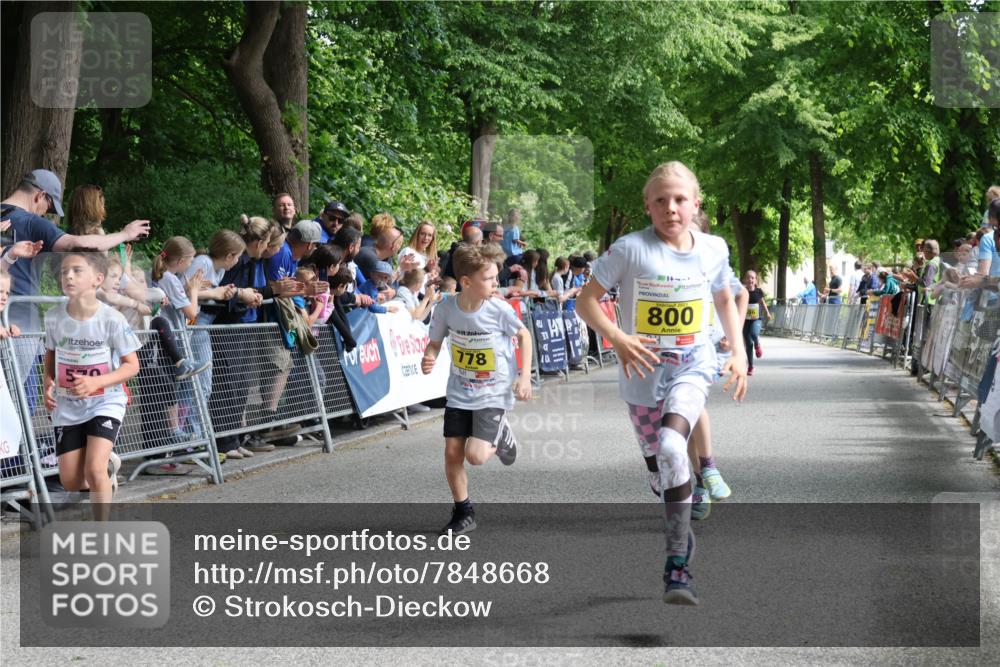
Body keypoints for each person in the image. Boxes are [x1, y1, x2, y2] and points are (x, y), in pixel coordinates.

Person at [575, 160, 747, 606]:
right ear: (647, 206)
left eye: (680, 199)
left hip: (693, 365)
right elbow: (585, 302)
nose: (671, 208)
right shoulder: (630, 249)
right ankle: (678, 509)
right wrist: (618, 338)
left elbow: (724, 297)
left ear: (696, 204)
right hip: (641, 374)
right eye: (661, 200)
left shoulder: (713, 248)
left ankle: (677, 565)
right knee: (662, 471)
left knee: (673, 448)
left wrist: (739, 352)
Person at [421, 244, 533, 535]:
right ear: (467, 282)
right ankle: (464, 512)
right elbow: (434, 343)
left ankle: (501, 433)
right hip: (459, 391)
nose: (496, 283)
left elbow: (524, 335)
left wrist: (524, 377)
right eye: (489, 278)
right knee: (452, 452)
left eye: (496, 277)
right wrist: (428, 357)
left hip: (493, 392)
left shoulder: (498, 309)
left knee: (476, 456)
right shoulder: (446, 309)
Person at [43, 251, 141, 520]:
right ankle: (106, 477)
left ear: (98, 279)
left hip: (105, 401)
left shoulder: (112, 319)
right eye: (64, 271)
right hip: (68, 404)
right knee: (71, 481)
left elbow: (132, 365)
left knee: (93, 470)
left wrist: (96, 381)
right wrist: (47, 383)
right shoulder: (53, 317)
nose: (68, 276)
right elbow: (51, 353)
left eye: (77, 271)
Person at [742, 270, 771, 376]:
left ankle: (757, 345)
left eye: (752, 278)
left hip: (756, 319)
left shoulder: (758, 291)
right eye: (748, 277)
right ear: (745, 279)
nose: (750, 280)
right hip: (745, 321)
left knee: (754, 334)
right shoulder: (742, 292)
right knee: (748, 344)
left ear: (755, 280)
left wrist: (767, 313)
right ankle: (750, 367)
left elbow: (762, 302)